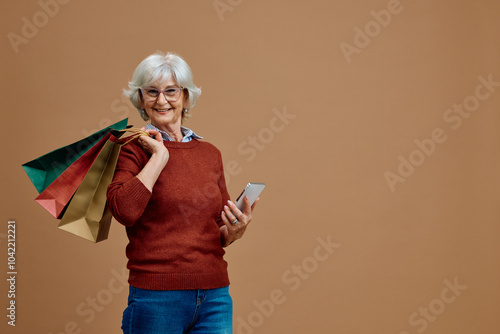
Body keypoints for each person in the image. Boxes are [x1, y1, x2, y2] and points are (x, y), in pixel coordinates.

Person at [106, 51, 259, 334]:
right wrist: (159, 157)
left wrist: (235, 231)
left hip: (215, 296)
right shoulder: (131, 149)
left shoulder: (210, 154)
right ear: (141, 98)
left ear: (186, 96)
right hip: (156, 297)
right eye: (152, 92)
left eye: (171, 91)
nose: (161, 100)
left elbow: (216, 231)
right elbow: (124, 211)